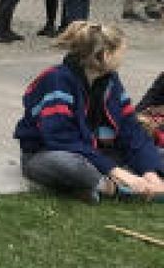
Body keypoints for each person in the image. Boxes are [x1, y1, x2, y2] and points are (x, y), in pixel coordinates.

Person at [16, 22, 164, 203]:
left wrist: (151, 172)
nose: (123, 58)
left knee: (154, 154)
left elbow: (131, 129)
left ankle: (102, 185)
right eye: (121, 52)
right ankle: (114, 188)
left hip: (98, 153)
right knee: (69, 166)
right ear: (104, 55)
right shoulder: (56, 80)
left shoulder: (110, 81)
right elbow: (62, 140)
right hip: (49, 154)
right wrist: (117, 172)